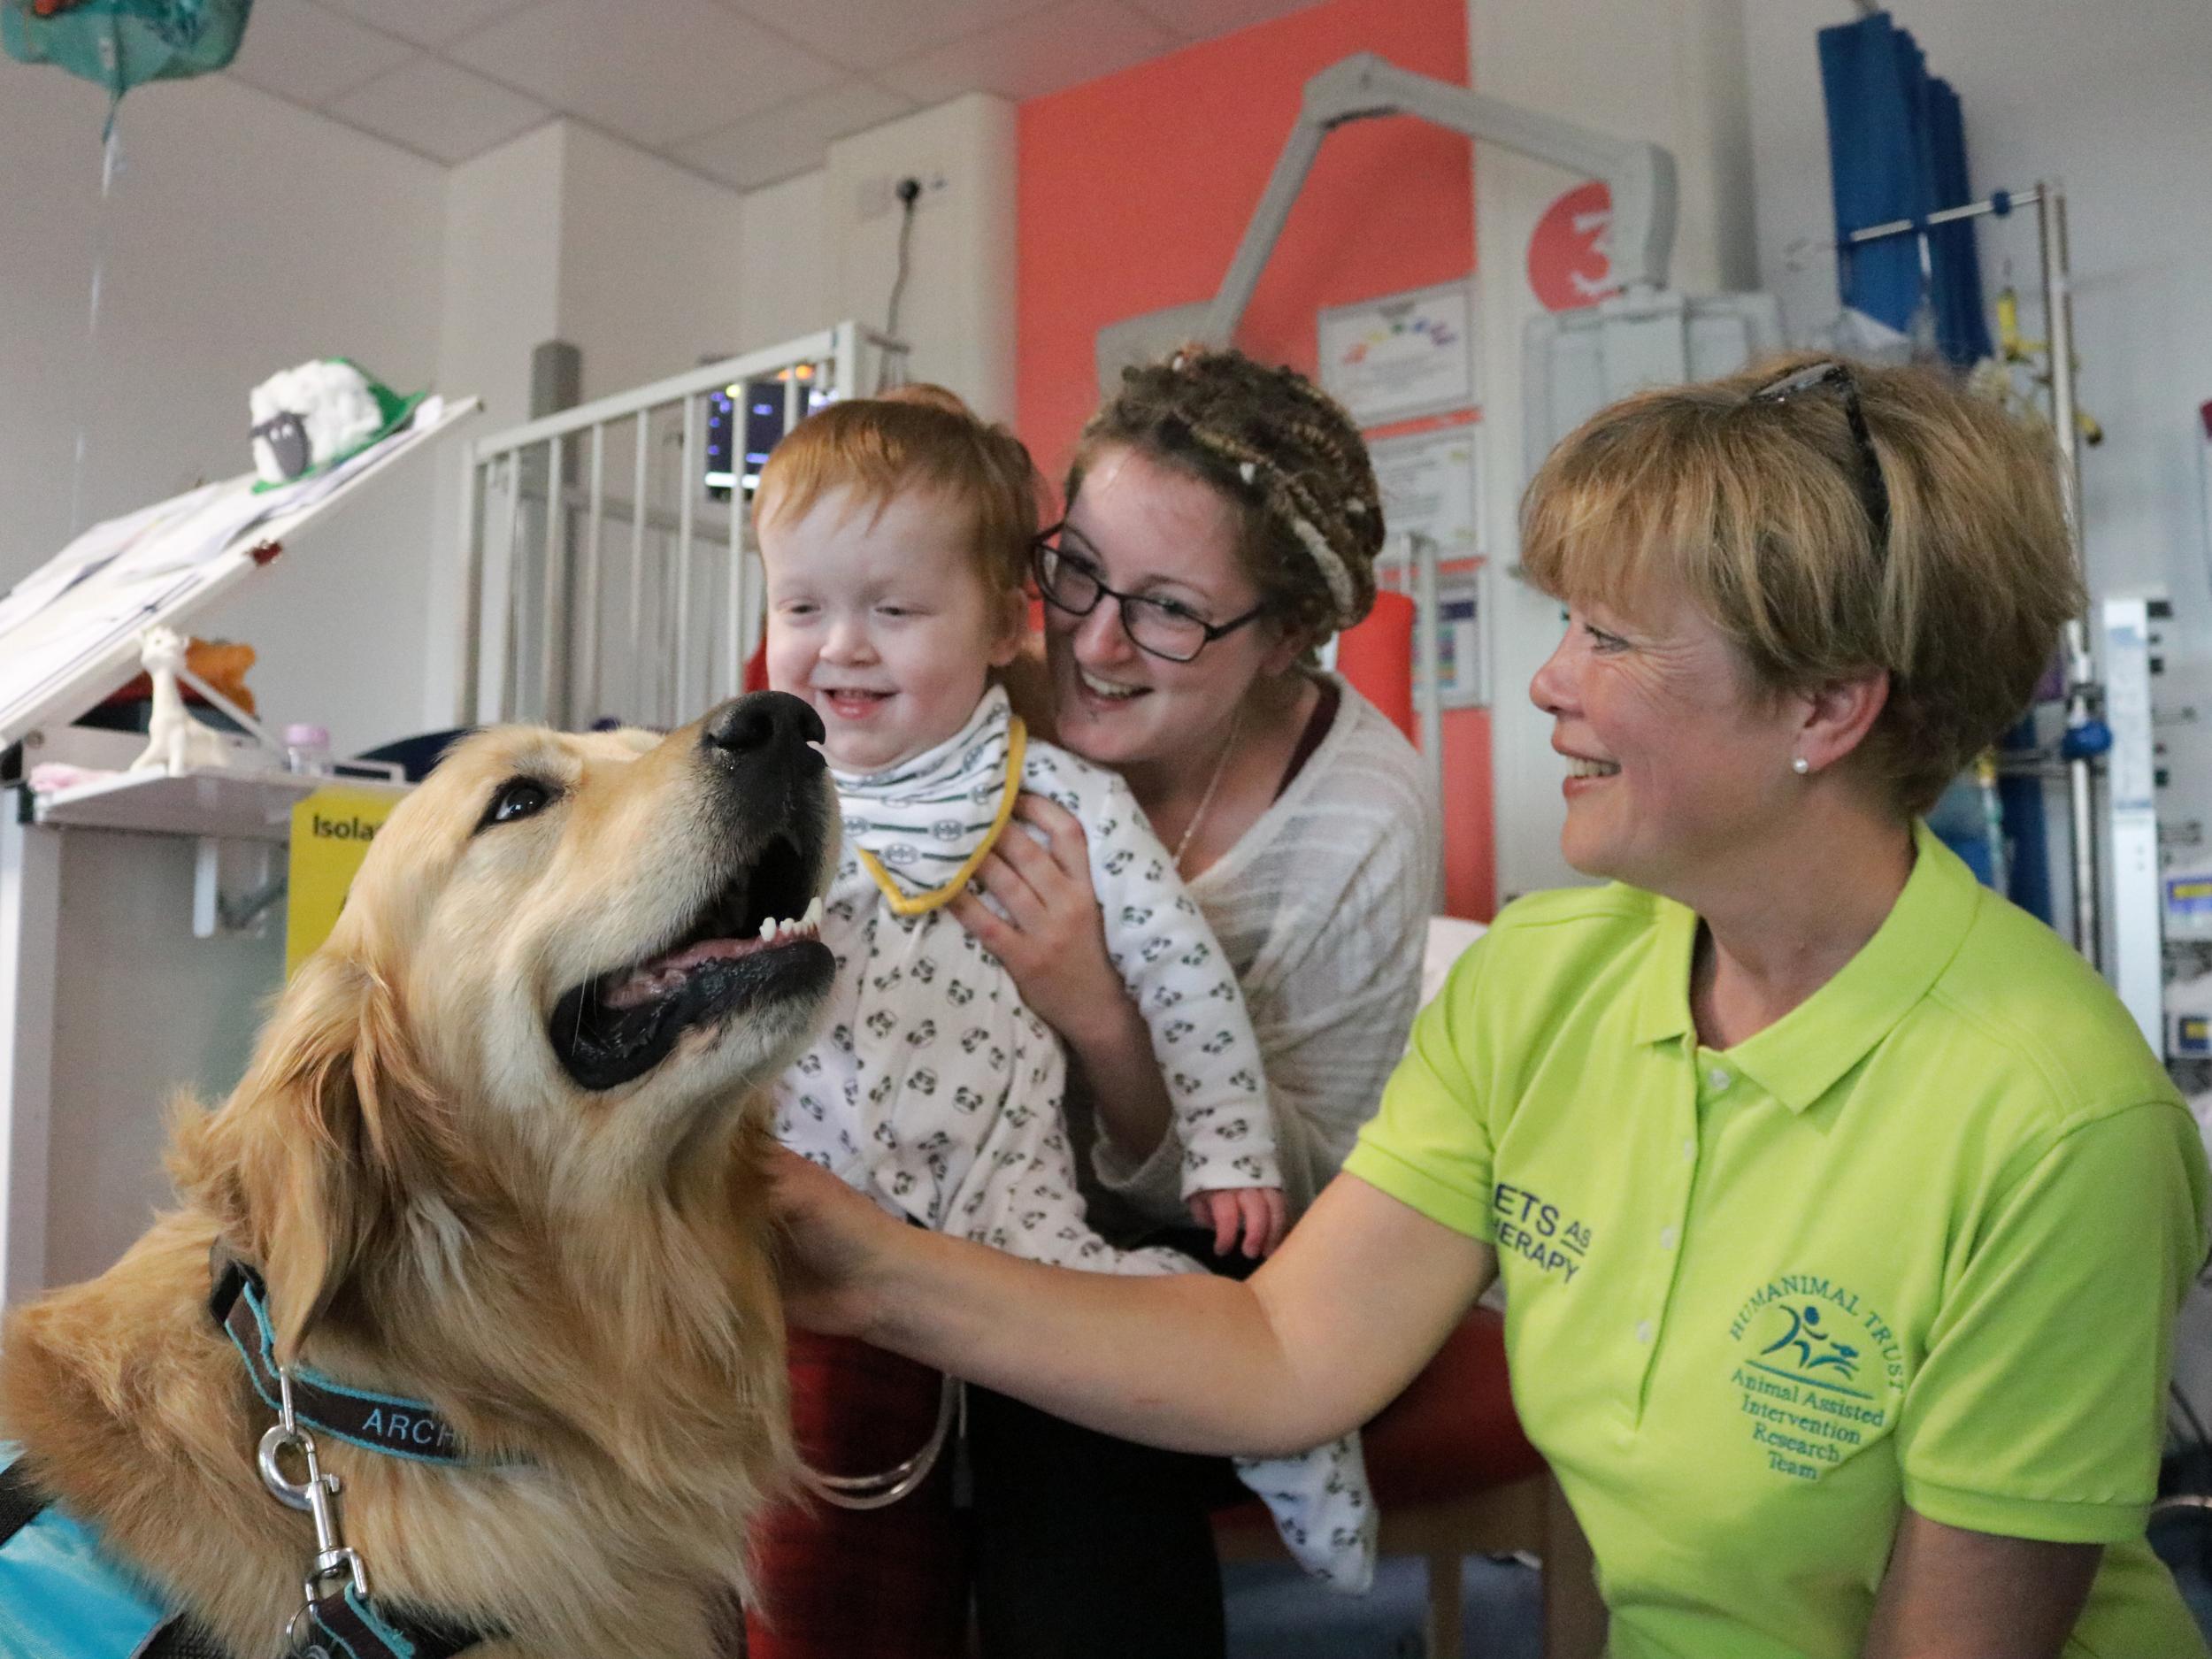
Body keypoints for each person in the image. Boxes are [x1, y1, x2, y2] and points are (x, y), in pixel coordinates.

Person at [771, 354, 2212, 1659]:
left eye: (1615, 639)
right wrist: (860, 1263)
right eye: (1565, 623)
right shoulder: (1545, 985)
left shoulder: (2059, 1129)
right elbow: (1286, 1353)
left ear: (1826, 709)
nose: (1547, 682)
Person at [741, 386, 1368, 1659]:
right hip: (797, 1199)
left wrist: (1234, 1148)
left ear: (999, 630)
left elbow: (1187, 982)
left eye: (895, 613)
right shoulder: (775, 781)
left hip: (1011, 1199)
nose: (841, 649)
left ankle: (1295, 1439)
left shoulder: (1060, 795)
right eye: (801, 609)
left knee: (1135, 1314)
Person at [938, 349, 1446, 1657]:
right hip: (942, 1174)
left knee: (1070, 1391)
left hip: (1199, 1250)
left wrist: (1098, 1009)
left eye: (1169, 611)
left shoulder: (1354, 820)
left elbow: (1310, 1203)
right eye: (1081, 570)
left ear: (1285, 638)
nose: (1093, 643)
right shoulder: (984, 679)